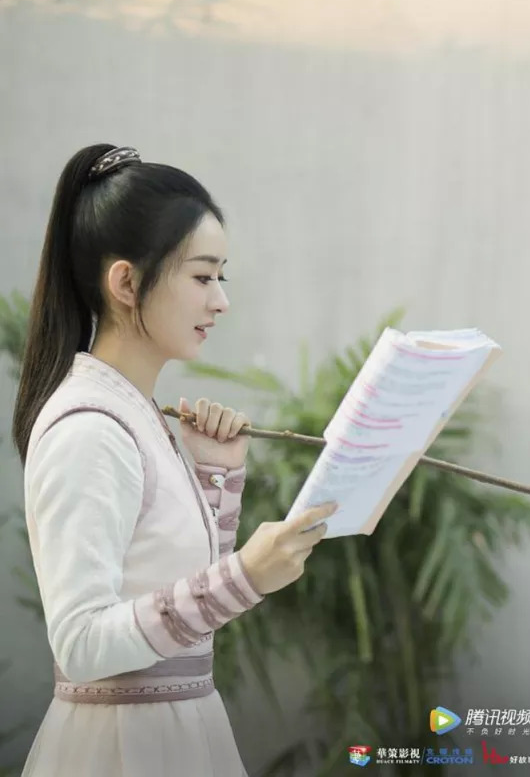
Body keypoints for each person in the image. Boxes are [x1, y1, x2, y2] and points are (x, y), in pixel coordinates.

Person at [13, 144, 338, 776]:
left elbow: (187, 612)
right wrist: (246, 576)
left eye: (221, 278)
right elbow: (80, 644)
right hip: (121, 749)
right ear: (126, 283)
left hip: (177, 730)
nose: (220, 302)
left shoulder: (137, 414)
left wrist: (217, 476)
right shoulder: (90, 428)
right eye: (202, 277)